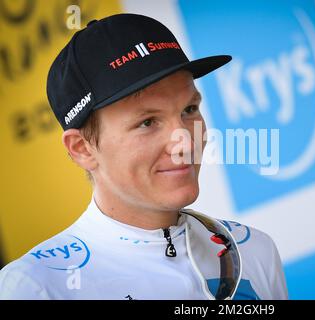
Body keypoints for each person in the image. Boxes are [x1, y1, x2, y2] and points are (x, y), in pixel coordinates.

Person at [0, 13, 288, 300]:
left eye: (189, 110)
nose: (184, 142)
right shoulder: (34, 287)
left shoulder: (254, 250)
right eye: (147, 122)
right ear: (82, 148)